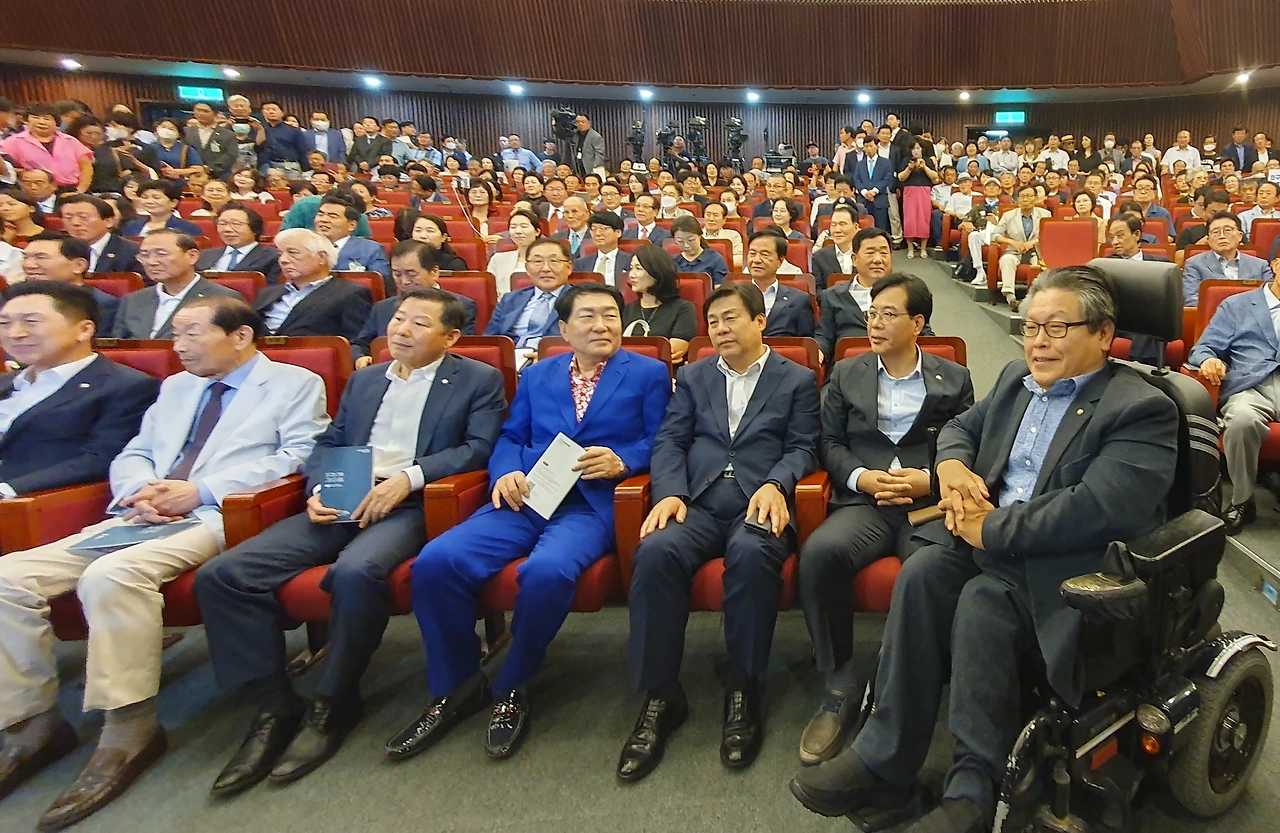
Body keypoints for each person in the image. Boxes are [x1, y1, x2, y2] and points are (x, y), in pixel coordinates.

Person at [790, 266, 1180, 833]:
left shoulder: (1142, 408)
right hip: (990, 544)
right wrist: (950, 466)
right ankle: (883, 758)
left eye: (1057, 328)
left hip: (1063, 567)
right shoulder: (1018, 379)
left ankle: (973, 791)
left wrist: (991, 529)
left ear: (1102, 334)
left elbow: (1096, 508)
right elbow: (959, 430)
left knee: (981, 599)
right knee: (922, 574)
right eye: (1031, 327)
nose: (1038, 342)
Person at [0, 296, 330, 829]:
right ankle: (29, 723)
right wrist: (140, 489)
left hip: (219, 513)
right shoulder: (177, 386)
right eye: (175, 333)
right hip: (142, 512)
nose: (177, 346)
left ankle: (128, 726)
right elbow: (136, 450)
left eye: (192, 333)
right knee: (7, 578)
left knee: (112, 576)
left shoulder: (293, 383)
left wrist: (200, 490)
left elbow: (297, 456)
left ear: (240, 336)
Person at [194, 287, 504, 793]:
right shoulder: (365, 380)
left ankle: (334, 701)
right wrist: (319, 487)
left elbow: (478, 447)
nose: (402, 330)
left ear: (450, 337)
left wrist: (409, 478)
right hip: (343, 496)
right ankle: (274, 706)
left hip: (410, 503)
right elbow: (332, 441)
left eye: (419, 323)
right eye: (399, 319)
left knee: (356, 573)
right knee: (224, 575)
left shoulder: (477, 378)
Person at [388, 283, 669, 760]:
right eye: (588, 316)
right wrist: (506, 471)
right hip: (529, 494)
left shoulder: (648, 372)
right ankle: (457, 684)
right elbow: (512, 436)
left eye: (610, 316)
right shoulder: (539, 375)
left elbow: (662, 438)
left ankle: (513, 683)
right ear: (564, 328)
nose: (602, 326)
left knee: (546, 572)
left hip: (591, 503)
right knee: (436, 561)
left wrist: (624, 460)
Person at [618, 280, 819, 782]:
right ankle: (661, 694)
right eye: (713, 322)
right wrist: (669, 492)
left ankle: (743, 686)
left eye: (731, 318)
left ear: (759, 321)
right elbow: (670, 440)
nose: (721, 329)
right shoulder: (693, 376)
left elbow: (803, 447)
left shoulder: (796, 378)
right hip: (699, 501)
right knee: (656, 552)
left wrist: (777, 483)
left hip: (760, 501)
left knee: (751, 556)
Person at [797, 274, 973, 765]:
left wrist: (929, 479)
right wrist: (861, 478)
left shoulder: (953, 377)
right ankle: (839, 684)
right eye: (871, 313)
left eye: (888, 314)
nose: (874, 323)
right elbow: (829, 442)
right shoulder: (845, 373)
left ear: (918, 323)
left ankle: (904, 689)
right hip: (866, 503)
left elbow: (967, 441)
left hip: (926, 505)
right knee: (821, 553)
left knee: (932, 569)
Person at [0, 279, 156, 495]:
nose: (15, 333)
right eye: (5, 323)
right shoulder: (6, 382)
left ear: (84, 330)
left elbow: (101, 460)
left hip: (36, 501)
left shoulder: (126, 386)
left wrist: (8, 490)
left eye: (31, 322)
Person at [352, 241, 478, 366]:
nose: (404, 281)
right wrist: (361, 357)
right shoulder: (383, 307)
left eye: (411, 274)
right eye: (397, 274)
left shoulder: (461, 305)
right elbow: (360, 344)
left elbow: (460, 351)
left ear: (434, 272)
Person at [114, 230, 244, 338]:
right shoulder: (133, 300)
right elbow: (119, 347)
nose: (151, 262)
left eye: (161, 254)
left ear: (192, 256)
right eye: (144, 255)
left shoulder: (224, 299)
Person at [253, 228, 372, 341]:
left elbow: (355, 342)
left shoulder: (349, 293)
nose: (283, 260)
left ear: (321, 257)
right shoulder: (267, 293)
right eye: (280, 254)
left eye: (293, 253)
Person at [622, 244, 697, 362]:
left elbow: (672, 352)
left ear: (657, 272)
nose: (631, 275)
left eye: (638, 268)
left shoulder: (683, 308)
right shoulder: (626, 310)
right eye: (631, 268)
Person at [1182, 212, 1274, 306]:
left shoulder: (1260, 265)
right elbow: (1192, 300)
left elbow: (1272, 298)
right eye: (1216, 232)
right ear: (1208, 240)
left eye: (1228, 230)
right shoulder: (1194, 264)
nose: (1222, 236)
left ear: (1240, 236)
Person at [0, 103, 92, 192]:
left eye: (47, 119)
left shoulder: (70, 141)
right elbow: (5, 167)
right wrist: (25, 172)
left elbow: (86, 167)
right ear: (26, 121)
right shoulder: (12, 142)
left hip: (72, 189)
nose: (41, 122)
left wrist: (80, 190)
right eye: (36, 118)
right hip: (35, 191)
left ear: (56, 123)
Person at [311, 194, 392, 296]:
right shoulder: (301, 245)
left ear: (351, 225)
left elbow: (379, 287)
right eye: (320, 214)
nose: (323, 220)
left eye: (332, 216)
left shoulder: (371, 250)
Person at [743, 228, 815, 337]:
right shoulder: (733, 297)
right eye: (752, 253)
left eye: (765, 254)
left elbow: (805, 342)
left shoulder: (799, 300)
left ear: (780, 261)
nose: (756, 260)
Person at [992, 184, 1051, 311]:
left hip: (1036, 251)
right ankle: (1011, 298)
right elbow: (995, 235)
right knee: (1006, 260)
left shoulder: (1045, 214)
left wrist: (1034, 242)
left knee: (1038, 265)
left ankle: (1034, 299)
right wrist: (1012, 242)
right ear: (1017, 199)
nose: (1025, 199)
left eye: (1029, 196)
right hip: (1014, 251)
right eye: (1022, 196)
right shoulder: (1008, 215)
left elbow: (1050, 235)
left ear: (1035, 198)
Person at [57, 193, 141, 275]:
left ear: (108, 221)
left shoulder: (132, 252)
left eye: (83, 217)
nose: (75, 223)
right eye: (68, 218)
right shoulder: (57, 250)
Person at [196, 204, 282, 283]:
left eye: (236, 224)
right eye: (222, 224)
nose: (227, 229)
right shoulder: (204, 255)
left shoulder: (273, 257)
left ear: (255, 229)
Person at [895, 138, 940, 259]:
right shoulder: (906, 160)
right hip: (909, 191)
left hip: (924, 191)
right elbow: (901, 177)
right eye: (913, 148)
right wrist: (909, 168)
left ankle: (923, 248)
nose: (915, 151)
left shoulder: (928, 160)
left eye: (918, 148)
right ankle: (910, 248)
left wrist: (924, 167)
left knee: (923, 219)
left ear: (922, 149)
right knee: (909, 220)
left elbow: (934, 177)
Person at [486, 208, 543, 296]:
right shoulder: (497, 259)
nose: (518, 231)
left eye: (524, 226)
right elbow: (491, 292)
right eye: (513, 227)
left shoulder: (549, 261)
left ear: (537, 231)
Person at [121, 180, 203, 238]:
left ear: (173, 202)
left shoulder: (187, 228)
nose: (149, 201)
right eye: (145, 197)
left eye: (156, 197)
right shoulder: (131, 226)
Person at [573, 210, 632, 287]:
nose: (597, 234)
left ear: (618, 233)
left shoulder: (630, 261)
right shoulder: (580, 264)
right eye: (594, 229)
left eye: (603, 229)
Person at [670, 215, 729, 286]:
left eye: (691, 240)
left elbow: (720, 288)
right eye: (680, 241)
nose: (686, 245)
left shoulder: (715, 259)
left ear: (700, 236)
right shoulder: (672, 262)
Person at [184, 103, 238, 180]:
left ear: (215, 114)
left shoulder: (228, 134)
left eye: (205, 111)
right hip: (191, 174)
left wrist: (211, 168)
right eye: (198, 110)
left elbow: (231, 154)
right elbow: (183, 151)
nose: (201, 113)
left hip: (219, 175)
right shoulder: (186, 131)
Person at [853, 136, 893, 232]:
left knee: (880, 229)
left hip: (879, 199)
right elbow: (856, 179)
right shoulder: (859, 164)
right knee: (863, 230)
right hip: (863, 201)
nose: (868, 149)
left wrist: (874, 191)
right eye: (866, 146)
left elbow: (887, 179)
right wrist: (865, 192)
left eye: (871, 146)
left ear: (876, 146)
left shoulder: (886, 162)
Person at [702, 201, 744, 270]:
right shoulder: (695, 236)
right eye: (708, 215)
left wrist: (716, 263)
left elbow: (740, 259)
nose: (711, 219)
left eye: (715, 215)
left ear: (724, 219)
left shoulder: (733, 235)